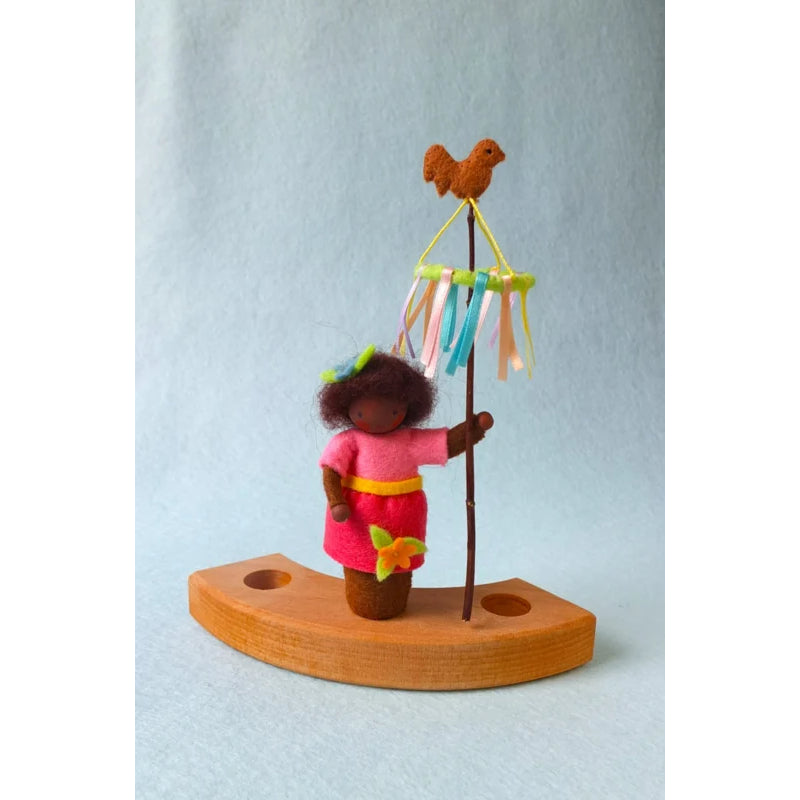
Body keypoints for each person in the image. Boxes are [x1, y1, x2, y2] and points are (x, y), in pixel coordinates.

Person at [318, 346, 493, 619]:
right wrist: (336, 501)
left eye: (392, 410)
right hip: (358, 515)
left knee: (398, 564)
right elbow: (331, 470)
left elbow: (446, 444)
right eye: (363, 410)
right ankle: (366, 602)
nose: (378, 416)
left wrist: (473, 428)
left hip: (401, 515)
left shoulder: (408, 441)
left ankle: (393, 602)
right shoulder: (349, 441)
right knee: (359, 560)